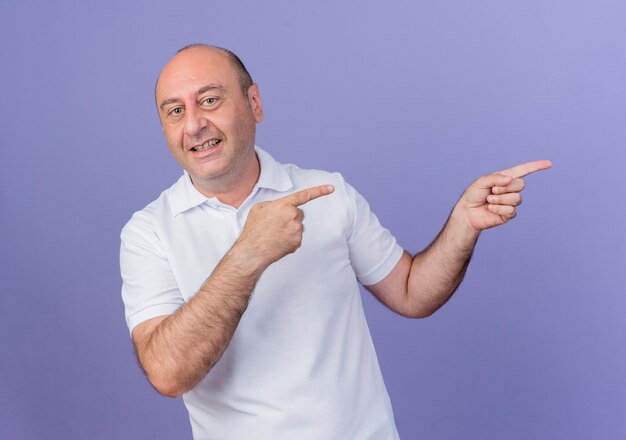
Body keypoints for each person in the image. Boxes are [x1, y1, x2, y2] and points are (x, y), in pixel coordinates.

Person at [120, 44, 552, 439]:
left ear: (254, 103)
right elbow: (168, 374)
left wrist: (463, 224)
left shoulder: (329, 193)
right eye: (174, 111)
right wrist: (248, 254)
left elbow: (411, 292)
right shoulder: (148, 231)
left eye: (210, 100)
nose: (194, 124)